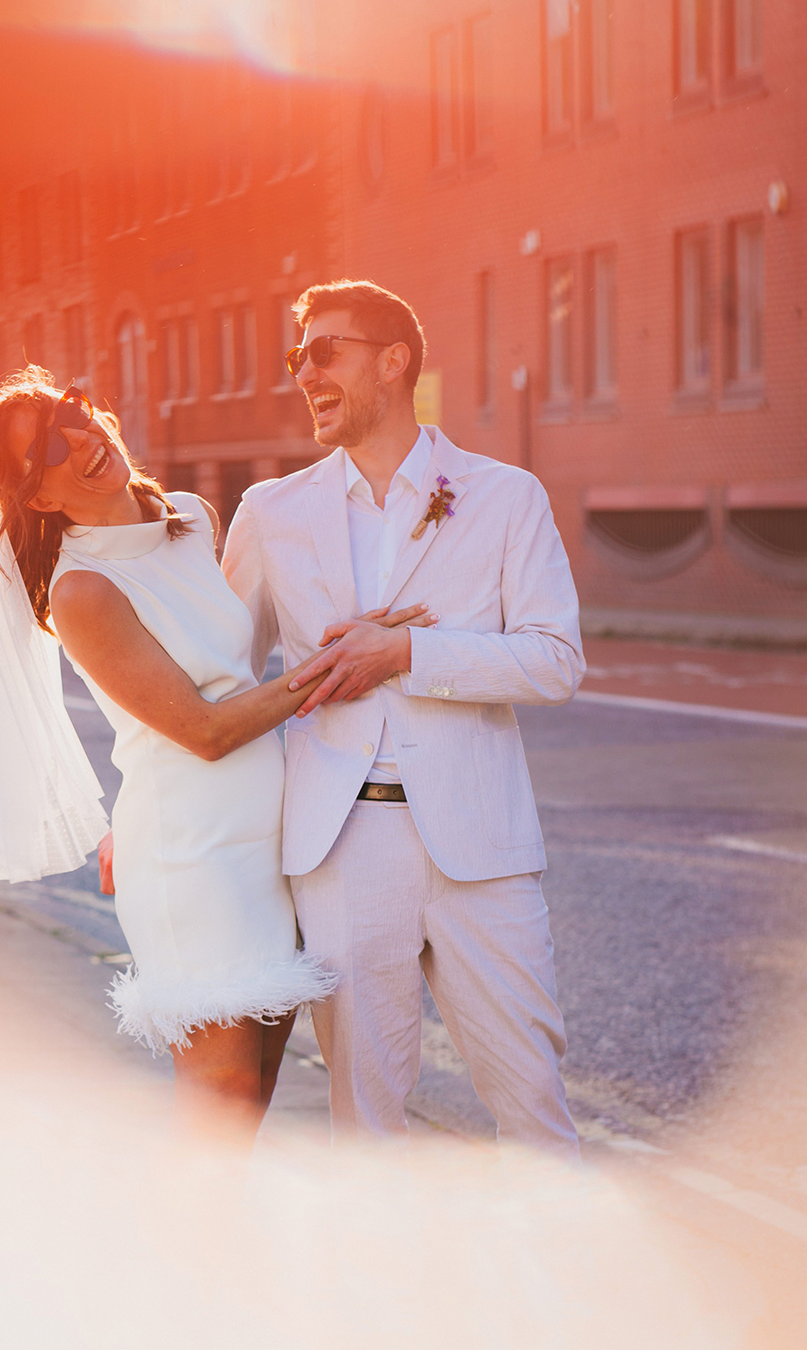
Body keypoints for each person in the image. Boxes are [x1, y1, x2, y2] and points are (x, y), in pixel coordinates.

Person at [0, 367, 433, 1141]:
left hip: (274, 844)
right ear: (38, 499)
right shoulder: (83, 593)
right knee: (220, 1100)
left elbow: (230, 656)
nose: (81, 439)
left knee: (261, 1086)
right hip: (193, 857)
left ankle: (218, 1258)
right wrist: (343, 662)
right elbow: (203, 730)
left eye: (69, 413)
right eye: (48, 448)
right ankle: (183, 1259)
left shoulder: (190, 516)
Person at [222, 281, 584, 1158]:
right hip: (341, 850)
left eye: (323, 352)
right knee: (366, 1120)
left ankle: (573, 1288)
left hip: (482, 847)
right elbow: (219, 681)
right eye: (295, 357)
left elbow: (554, 659)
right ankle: (385, 1294)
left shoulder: (505, 496)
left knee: (532, 1101)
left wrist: (410, 655)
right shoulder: (271, 513)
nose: (304, 373)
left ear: (394, 362)